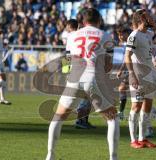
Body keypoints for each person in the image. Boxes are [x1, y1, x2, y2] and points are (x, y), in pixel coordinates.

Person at [46, 8, 119, 160]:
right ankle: (113, 157)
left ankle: (50, 156)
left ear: (83, 21)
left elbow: (69, 59)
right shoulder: (106, 36)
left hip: (74, 78)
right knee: (112, 119)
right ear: (99, 21)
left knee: (57, 118)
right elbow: (108, 66)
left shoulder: (72, 35)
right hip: (93, 78)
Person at [125, 9, 156, 149]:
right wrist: (131, 74)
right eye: (147, 17)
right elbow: (127, 56)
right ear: (141, 20)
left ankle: (143, 139)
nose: (150, 18)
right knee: (136, 106)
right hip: (138, 74)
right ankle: (133, 140)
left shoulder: (148, 34)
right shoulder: (134, 35)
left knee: (147, 106)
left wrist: (154, 61)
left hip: (149, 74)